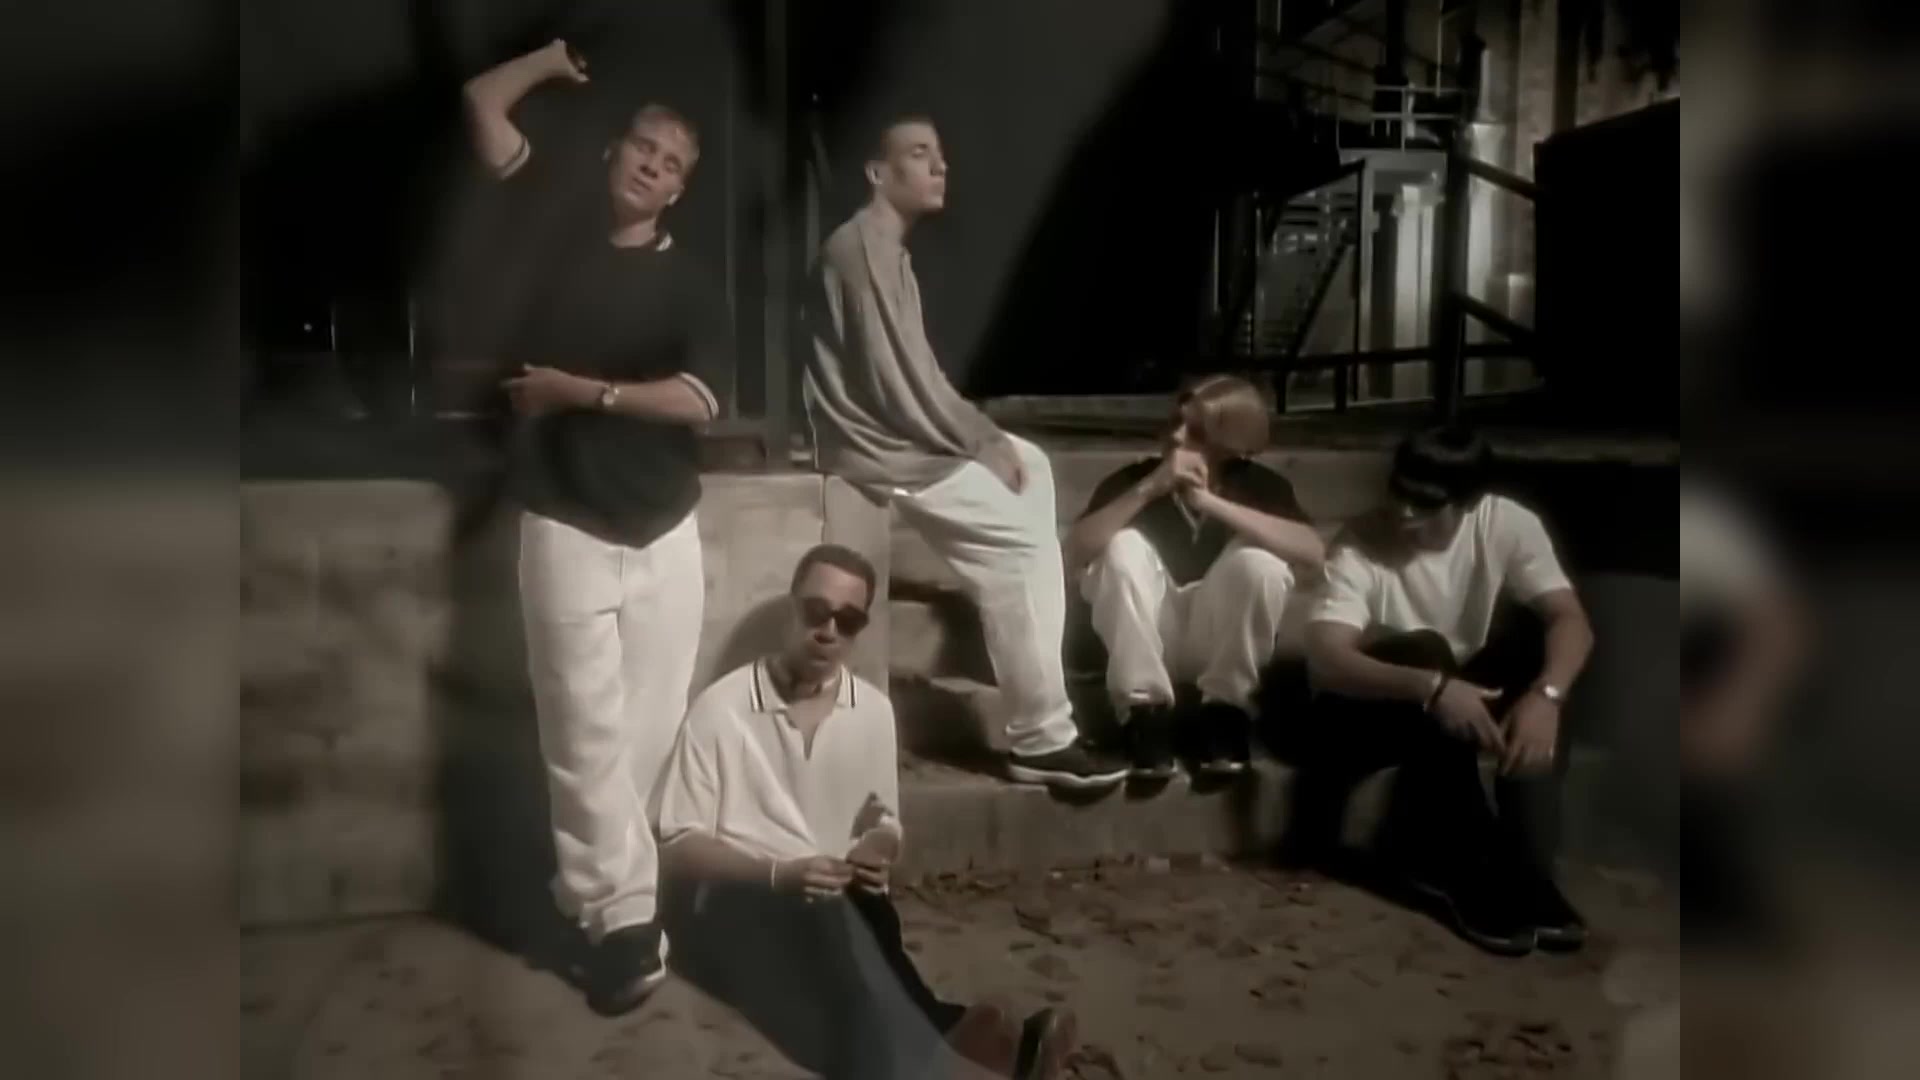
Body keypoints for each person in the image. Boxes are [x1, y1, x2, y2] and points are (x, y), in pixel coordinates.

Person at [460, 39, 728, 1014]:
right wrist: (545, 62)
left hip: (665, 528)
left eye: (672, 164)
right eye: (643, 148)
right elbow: (480, 104)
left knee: (643, 740)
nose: (652, 167)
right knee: (582, 735)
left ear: (678, 191)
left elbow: (700, 399)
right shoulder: (552, 225)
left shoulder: (691, 283)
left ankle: (600, 903)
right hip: (564, 519)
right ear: (614, 151)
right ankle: (623, 927)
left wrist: (586, 391)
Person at [658, 545, 1077, 1080]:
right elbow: (678, 846)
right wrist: (779, 874)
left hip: (831, 901)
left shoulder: (872, 711)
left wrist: (877, 851)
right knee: (838, 929)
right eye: (816, 612)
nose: (828, 631)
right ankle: (955, 1047)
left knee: (865, 919)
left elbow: (881, 820)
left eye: (848, 620)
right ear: (791, 609)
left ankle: (953, 1043)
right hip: (738, 903)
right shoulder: (722, 708)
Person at [804, 112, 1127, 791]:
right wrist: (976, 440)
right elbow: (898, 386)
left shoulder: (887, 249)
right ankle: (1042, 736)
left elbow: (914, 373)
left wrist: (986, 437)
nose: (939, 166)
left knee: (1032, 475)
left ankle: (1030, 671)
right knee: (1023, 546)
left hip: (897, 433)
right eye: (919, 154)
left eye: (939, 154)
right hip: (879, 446)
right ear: (877, 173)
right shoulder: (861, 248)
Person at [1291, 427, 1594, 956]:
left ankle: (1528, 866)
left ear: (1468, 504)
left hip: (1452, 685)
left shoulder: (1506, 523)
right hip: (1361, 709)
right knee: (1426, 650)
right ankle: (1467, 870)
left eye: (1426, 502)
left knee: (1536, 659)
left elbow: (1570, 619)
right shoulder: (1361, 540)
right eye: (1398, 491)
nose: (1404, 511)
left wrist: (1547, 697)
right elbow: (1327, 656)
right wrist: (1432, 688)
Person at [1063, 375, 1323, 781]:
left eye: (1196, 431)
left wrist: (1211, 503)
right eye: (1174, 423)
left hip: (1216, 638)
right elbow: (1073, 552)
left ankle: (1225, 711)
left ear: (1231, 439)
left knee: (1262, 563)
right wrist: (1151, 488)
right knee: (1121, 547)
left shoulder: (1259, 485)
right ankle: (1144, 714)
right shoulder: (1134, 480)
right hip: (1150, 635)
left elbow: (1311, 552)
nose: (1177, 436)